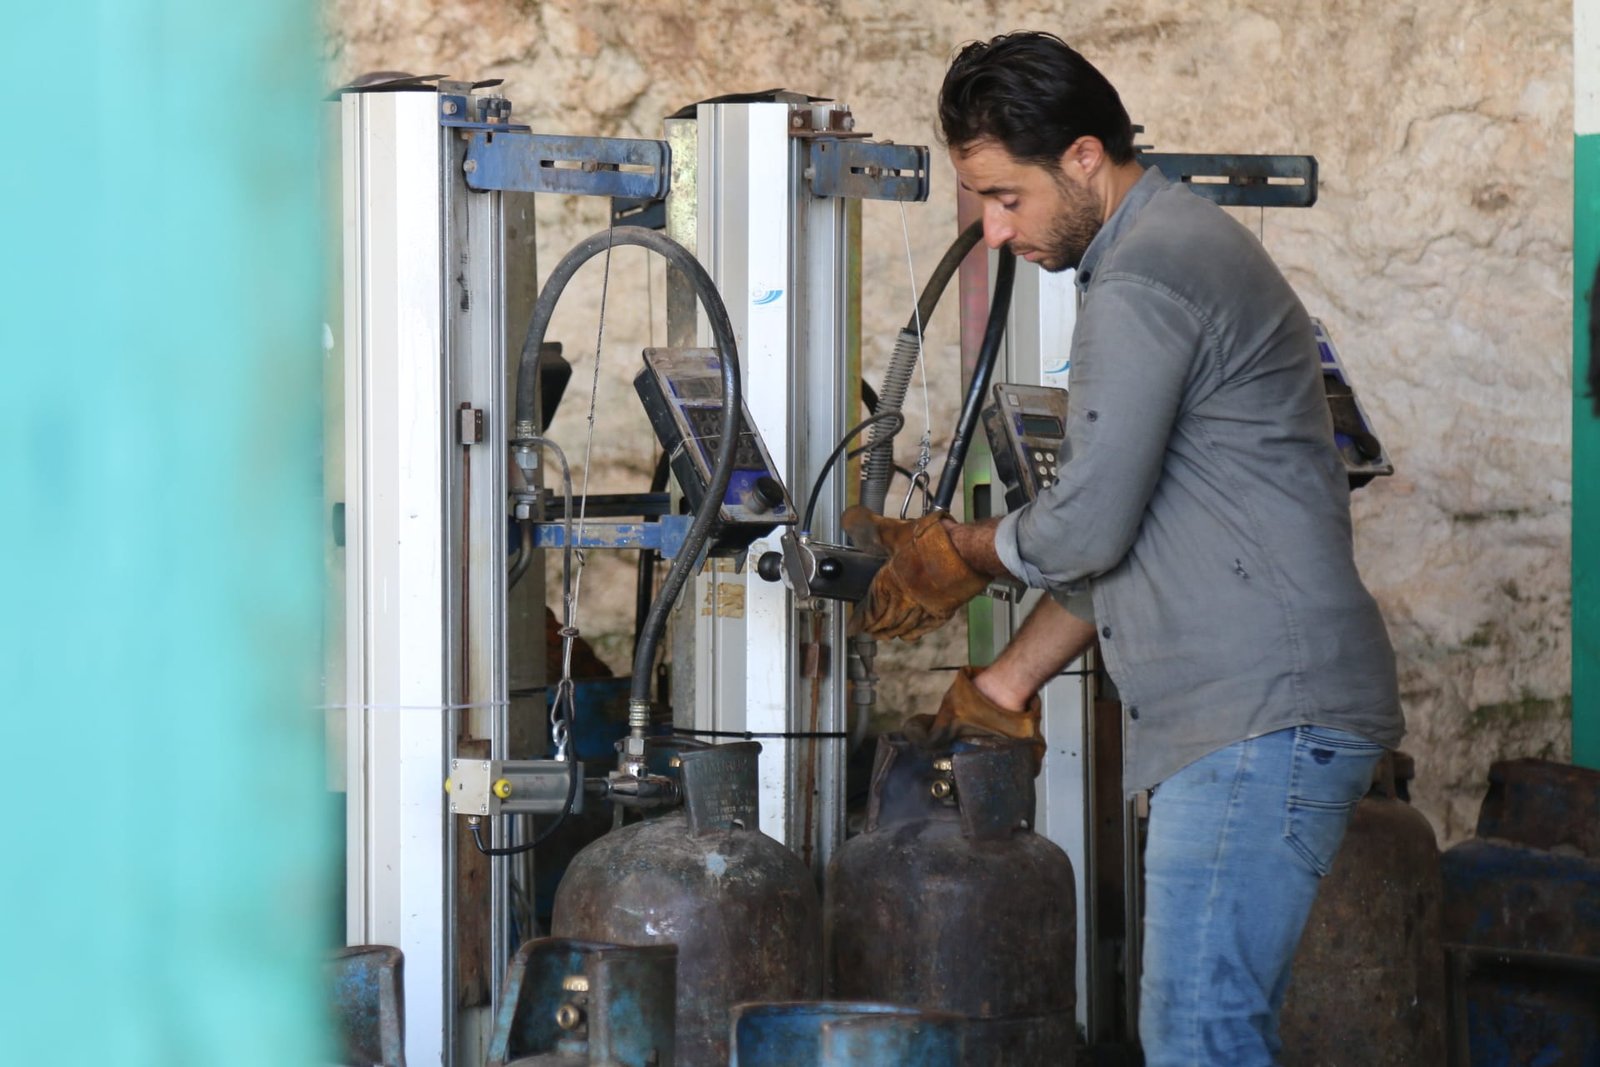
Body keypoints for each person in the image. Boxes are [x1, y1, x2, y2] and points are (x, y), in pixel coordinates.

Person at [842, 32, 1406, 1067]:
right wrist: (1006, 681)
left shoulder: (1142, 278)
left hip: (1256, 718)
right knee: (1205, 1027)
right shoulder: (1176, 244)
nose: (996, 230)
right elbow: (1140, 539)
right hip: (1267, 713)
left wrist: (959, 548)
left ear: (1084, 157)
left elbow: (1087, 527)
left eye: (1007, 197)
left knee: (1199, 1032)